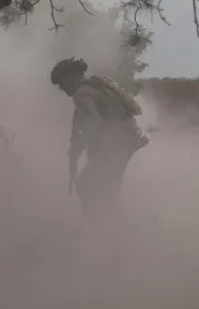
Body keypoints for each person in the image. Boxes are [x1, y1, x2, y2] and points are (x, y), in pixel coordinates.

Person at [49, 57, 149, 220]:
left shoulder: (83, 93)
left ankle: (101, 229)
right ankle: (115, 231)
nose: (62, 88)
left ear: (71, 77)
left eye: (62, 82)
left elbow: (93, 126)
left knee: (89, 186)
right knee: (107, 191)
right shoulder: (100, 83)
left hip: (114, 146)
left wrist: (79, 150)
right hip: (125, 142)